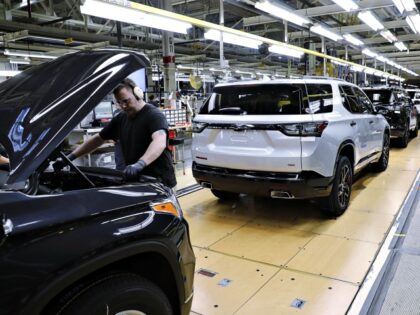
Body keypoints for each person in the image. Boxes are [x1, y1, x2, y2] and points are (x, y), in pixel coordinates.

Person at [55, 78, 177, 188]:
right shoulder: (121, 118)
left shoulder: (154, 115)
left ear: (137, 94)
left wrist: (140, 164)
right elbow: (98, 139)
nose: (123, 106)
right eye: (119, 102)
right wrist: (71, 157)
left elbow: (159, 142)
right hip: (137, 179)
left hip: (159, 181)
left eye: (126, 101)